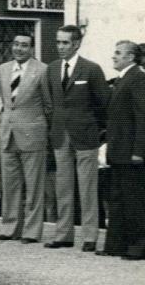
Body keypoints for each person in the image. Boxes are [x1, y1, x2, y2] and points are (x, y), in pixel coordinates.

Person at [43, 25, 109, 251]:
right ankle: (64, 234)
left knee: (87, 187)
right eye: (58, 42)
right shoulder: (52, 69)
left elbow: (103, 103)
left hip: (86, 135)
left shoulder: (91, 69)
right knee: (63, 187)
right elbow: (50, 103)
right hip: (60, 135)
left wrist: (95, 128)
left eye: (65, 42)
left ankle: (90, 236)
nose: (60, 47)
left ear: (76, 44)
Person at [97, 40, 145, 260]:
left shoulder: (138, 78)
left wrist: (139, 150)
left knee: (134, 201)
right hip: (119, 149)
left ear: (130, 57)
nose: (114, 56)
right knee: (118, 199)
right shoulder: (123, 78)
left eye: (118, 53)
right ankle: (117, 245)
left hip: (130, 150)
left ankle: (140, 247)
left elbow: (143, 117)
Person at [0, 33, 51, 243]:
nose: (19, 48)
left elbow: (48, 104)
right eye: (16, 44)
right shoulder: (3, 69)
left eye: (24, 45)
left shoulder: (42, 70)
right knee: (10, 185)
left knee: (34, 185)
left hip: (32, 134)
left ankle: (31, 231)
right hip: (8, 134)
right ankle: (10, 228)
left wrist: (43, 129)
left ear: (32, 48)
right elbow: (5, 100)